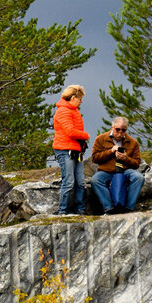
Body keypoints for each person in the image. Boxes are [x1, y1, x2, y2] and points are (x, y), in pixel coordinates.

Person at [90, 116, 145, 214]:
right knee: (95, 180)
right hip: (106, 171)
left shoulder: (133, 142)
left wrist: (126, 158)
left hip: (125, 170)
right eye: (117, 130)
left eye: (123, 130)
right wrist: (111, 151)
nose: (120, 133)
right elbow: (95, 158)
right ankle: (109, 207)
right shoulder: (101, 139)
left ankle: (129, 207)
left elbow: (136, 163)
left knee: (139, 177)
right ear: (112, 127)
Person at [52, 85, 89, 215]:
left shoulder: (74, 110)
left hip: (76, 151)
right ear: (73, 98)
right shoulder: (63, 111)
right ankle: (62, 210)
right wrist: (85, 135)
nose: (81, 101)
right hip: (64, 150)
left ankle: (80, 209)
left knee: (80, 182)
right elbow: (70, 131)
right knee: (69, 181)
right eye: (80, 98)